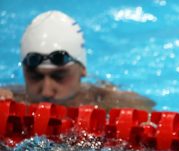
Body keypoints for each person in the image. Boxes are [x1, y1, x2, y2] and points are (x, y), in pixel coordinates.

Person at [0, 10, 155, 111]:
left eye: (59, 76)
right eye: (35, 76)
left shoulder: (113, 103)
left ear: (82, 69)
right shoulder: (10, 98)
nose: (46, 91)